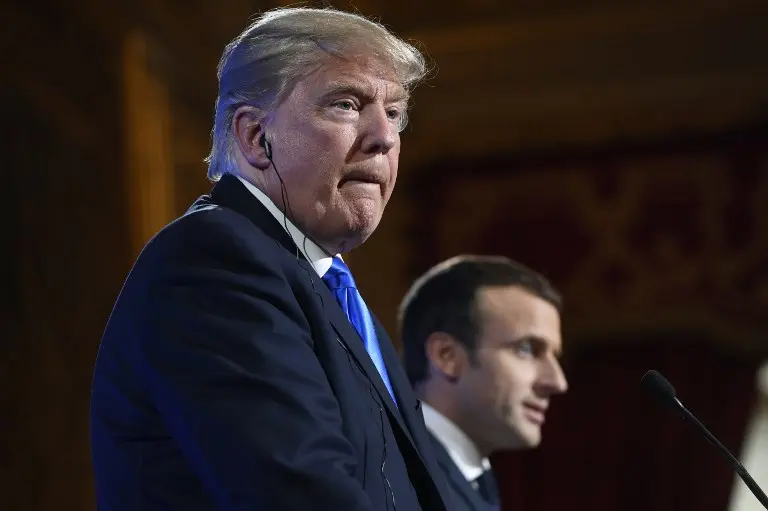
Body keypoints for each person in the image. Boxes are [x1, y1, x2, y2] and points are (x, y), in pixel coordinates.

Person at [90, 7, 452, 511]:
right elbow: (299, 492)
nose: (385, 137)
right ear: (256, 137)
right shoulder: (214, 263)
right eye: (346, 104)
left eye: (394, 113)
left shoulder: (324, 284)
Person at [399, 255, 569, 511]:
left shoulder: (471, 478)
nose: (557, 382)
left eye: (554, 356)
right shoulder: (396, 477)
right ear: (446, 356)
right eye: (526, 349)